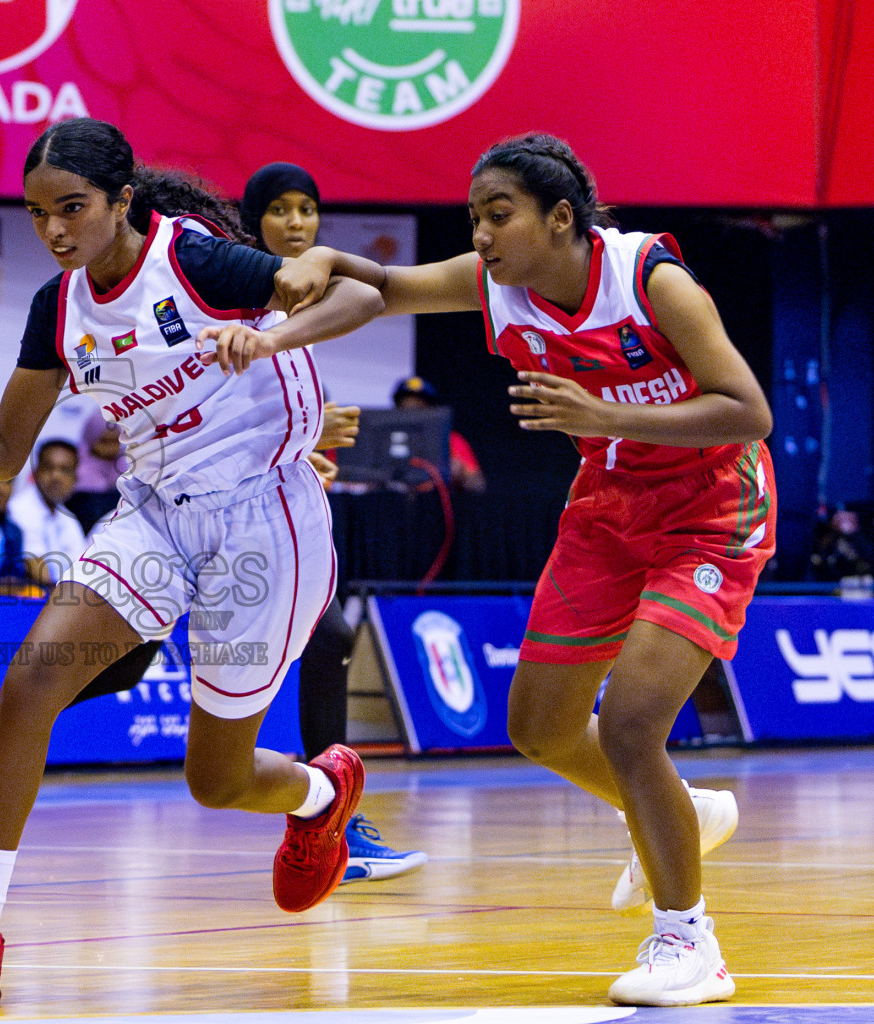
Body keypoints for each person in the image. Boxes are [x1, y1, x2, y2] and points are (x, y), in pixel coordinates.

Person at [0, 117, 383, 1003]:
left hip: (265, 522)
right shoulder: (57, 310)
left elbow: (363, 300)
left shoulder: (197, 262)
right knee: (31, 682)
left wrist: (273, 336)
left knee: (215, 780)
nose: (56, 230)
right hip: (153, 517)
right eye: (37, 214)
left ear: (121, 202)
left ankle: (319, 798)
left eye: (72, 208)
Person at [287, 132, 774, 1007]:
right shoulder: (492, 286)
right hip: (609, 502)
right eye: (474, 216)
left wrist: (599, 411)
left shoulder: (651, 279)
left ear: (561, 219)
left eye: (497, 214)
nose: (480, 233)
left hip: (711, 506)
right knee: (541, 725)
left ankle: (689, 942)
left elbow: (748, 412)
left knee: (629, 726)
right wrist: (316, 275)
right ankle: (677, 811)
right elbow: (385, 289)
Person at [241, 160, 426, 882]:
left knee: (330, 640)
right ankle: (327, 823)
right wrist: (299, 440)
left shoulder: (299, 306)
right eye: (281, 209)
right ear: (252, 221)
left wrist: (302, 448)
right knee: (110, 662)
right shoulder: (242, 297)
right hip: (203, 515)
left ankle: (329, 827)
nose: (297, 223)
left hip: (264, 504)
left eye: (308, 209)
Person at [8, 439, 85, 587]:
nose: (56, 476)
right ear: (35, 473)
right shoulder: (19, 509)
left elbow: (84, 572)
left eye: (65, 470)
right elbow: (39, 573)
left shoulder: (69, 519)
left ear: (75, 478)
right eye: (48, 468)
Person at [391, 375, 487, 494]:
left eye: (419, 406)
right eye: (406, 406)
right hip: (388, 507)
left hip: (434, 507)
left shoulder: (449, 439)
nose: (412, 411)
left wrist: (458, 472)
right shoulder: (382, 439)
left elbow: (478, 483)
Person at [66, 409, 123, 533]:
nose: (111, 449)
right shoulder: (75, 475)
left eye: (115, 441)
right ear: (90, 439)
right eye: (104, 442)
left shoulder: (125, 471)